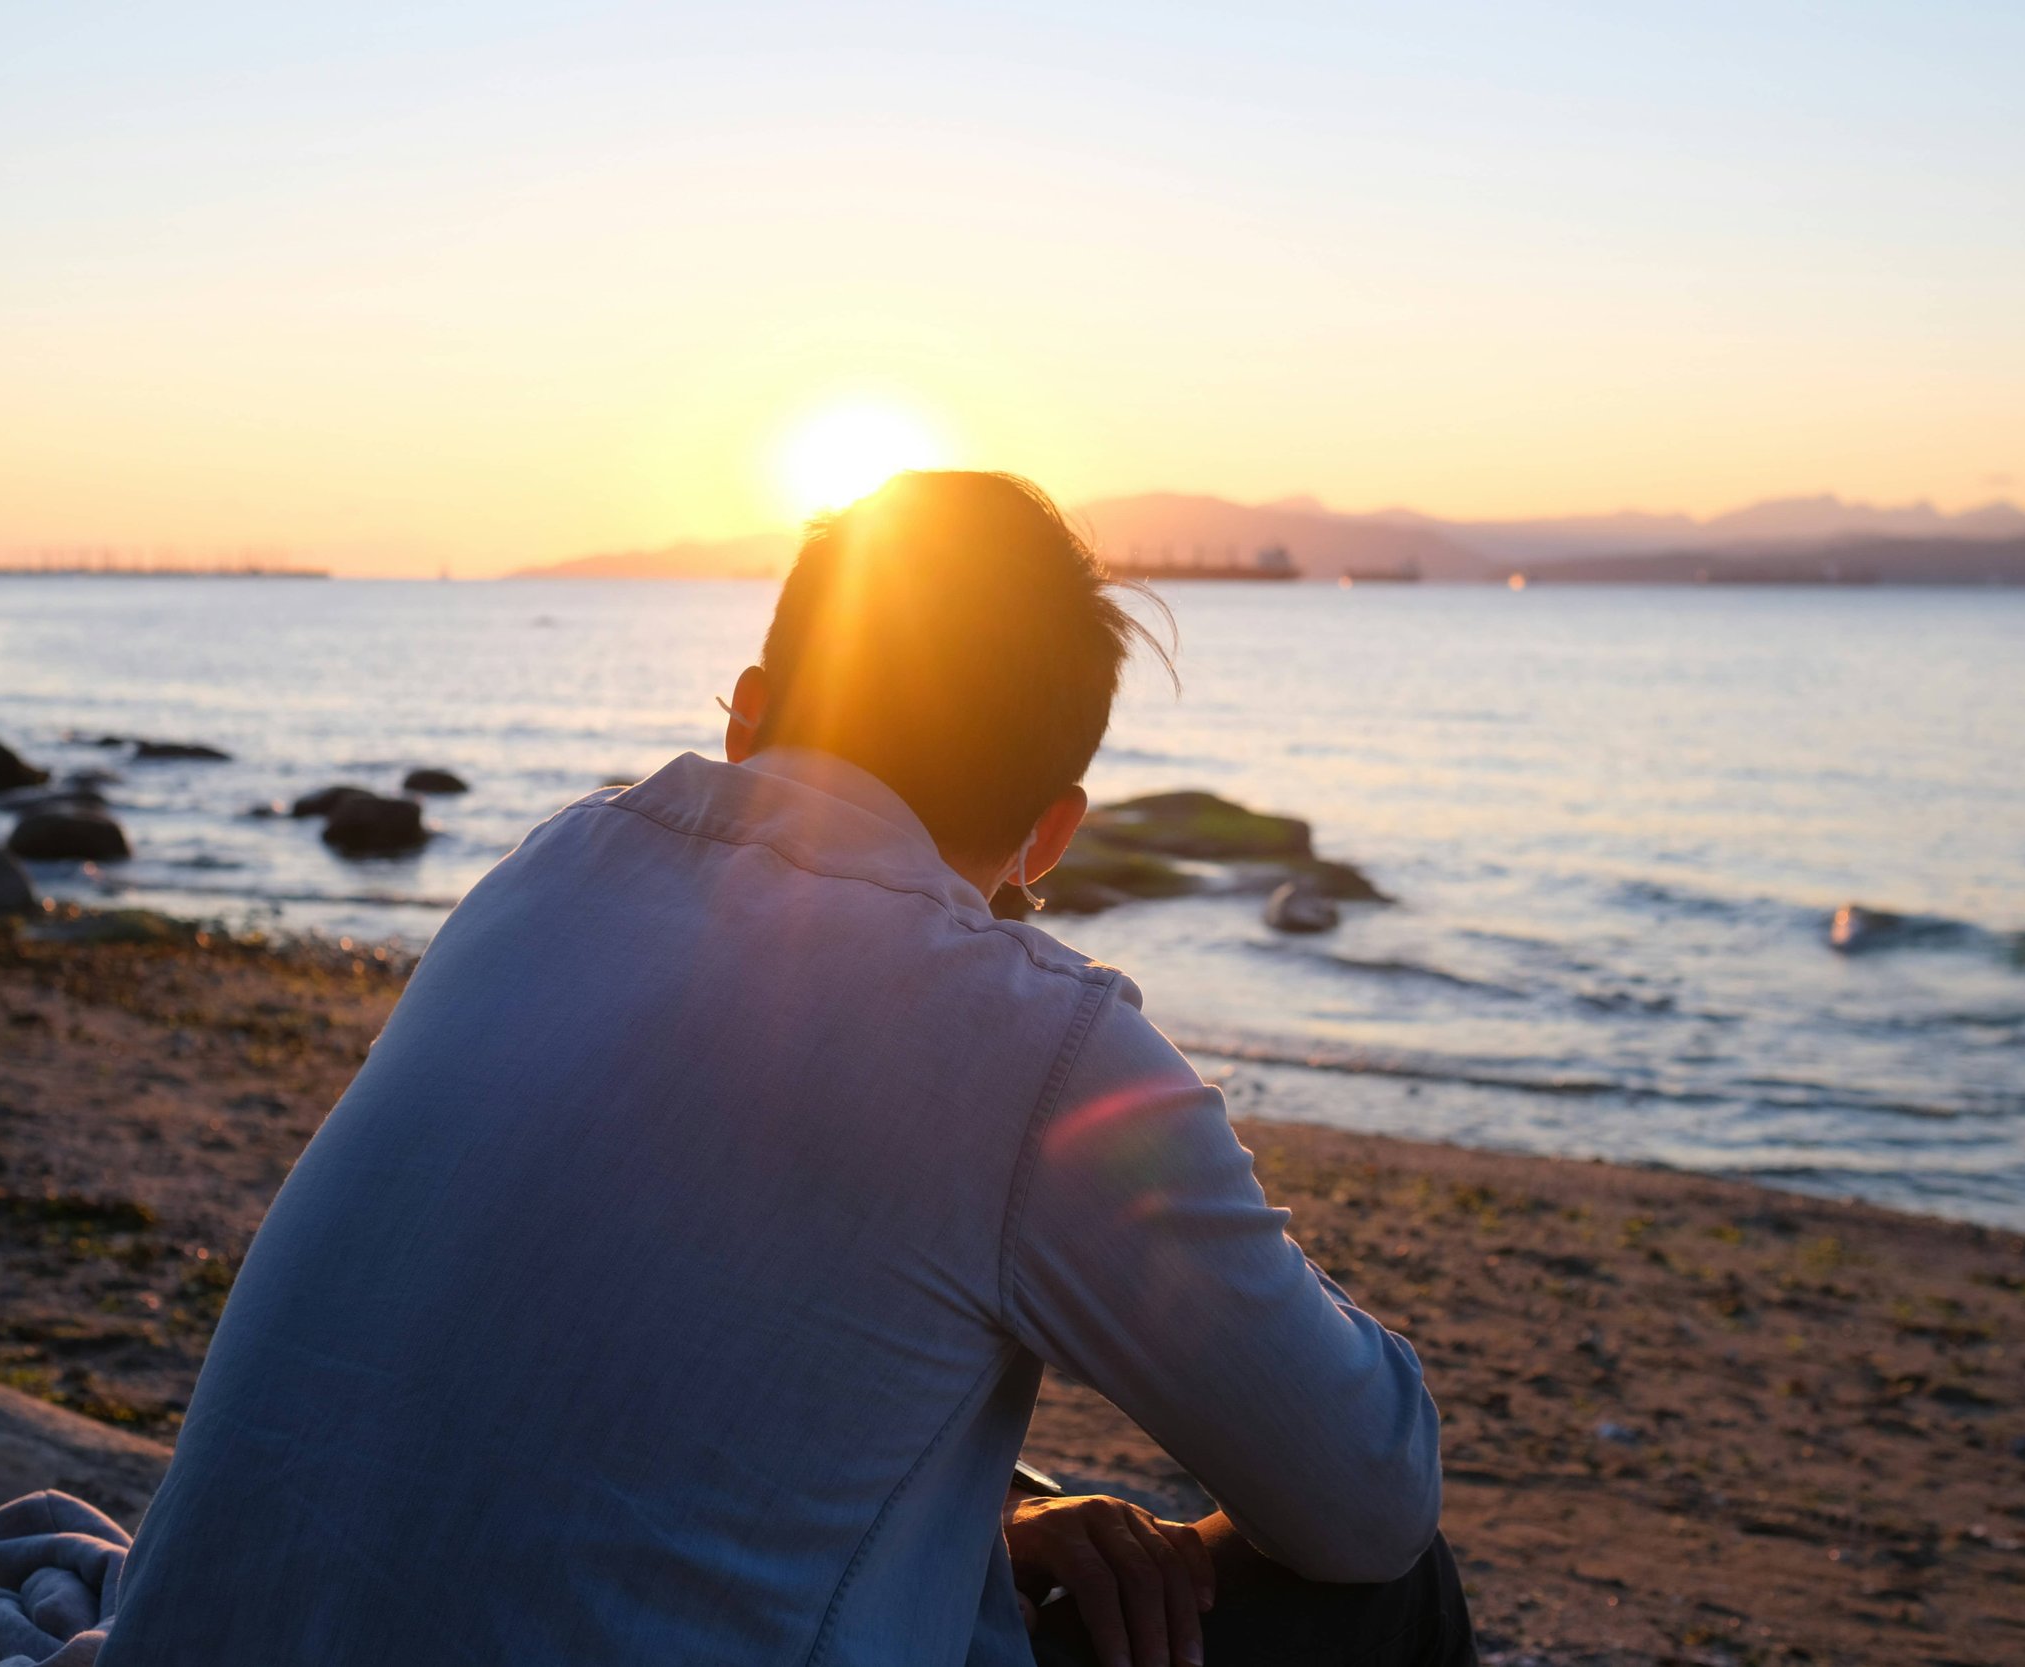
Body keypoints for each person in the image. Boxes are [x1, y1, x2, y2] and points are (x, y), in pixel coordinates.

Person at [103, 472, 1472, 1666]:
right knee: (1393, 1596)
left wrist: (1003, 1519)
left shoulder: (545, 873)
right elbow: (1368, 1494)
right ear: (1050, 837)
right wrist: (1186, 1549)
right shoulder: (1038, 1049)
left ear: (750, 713)